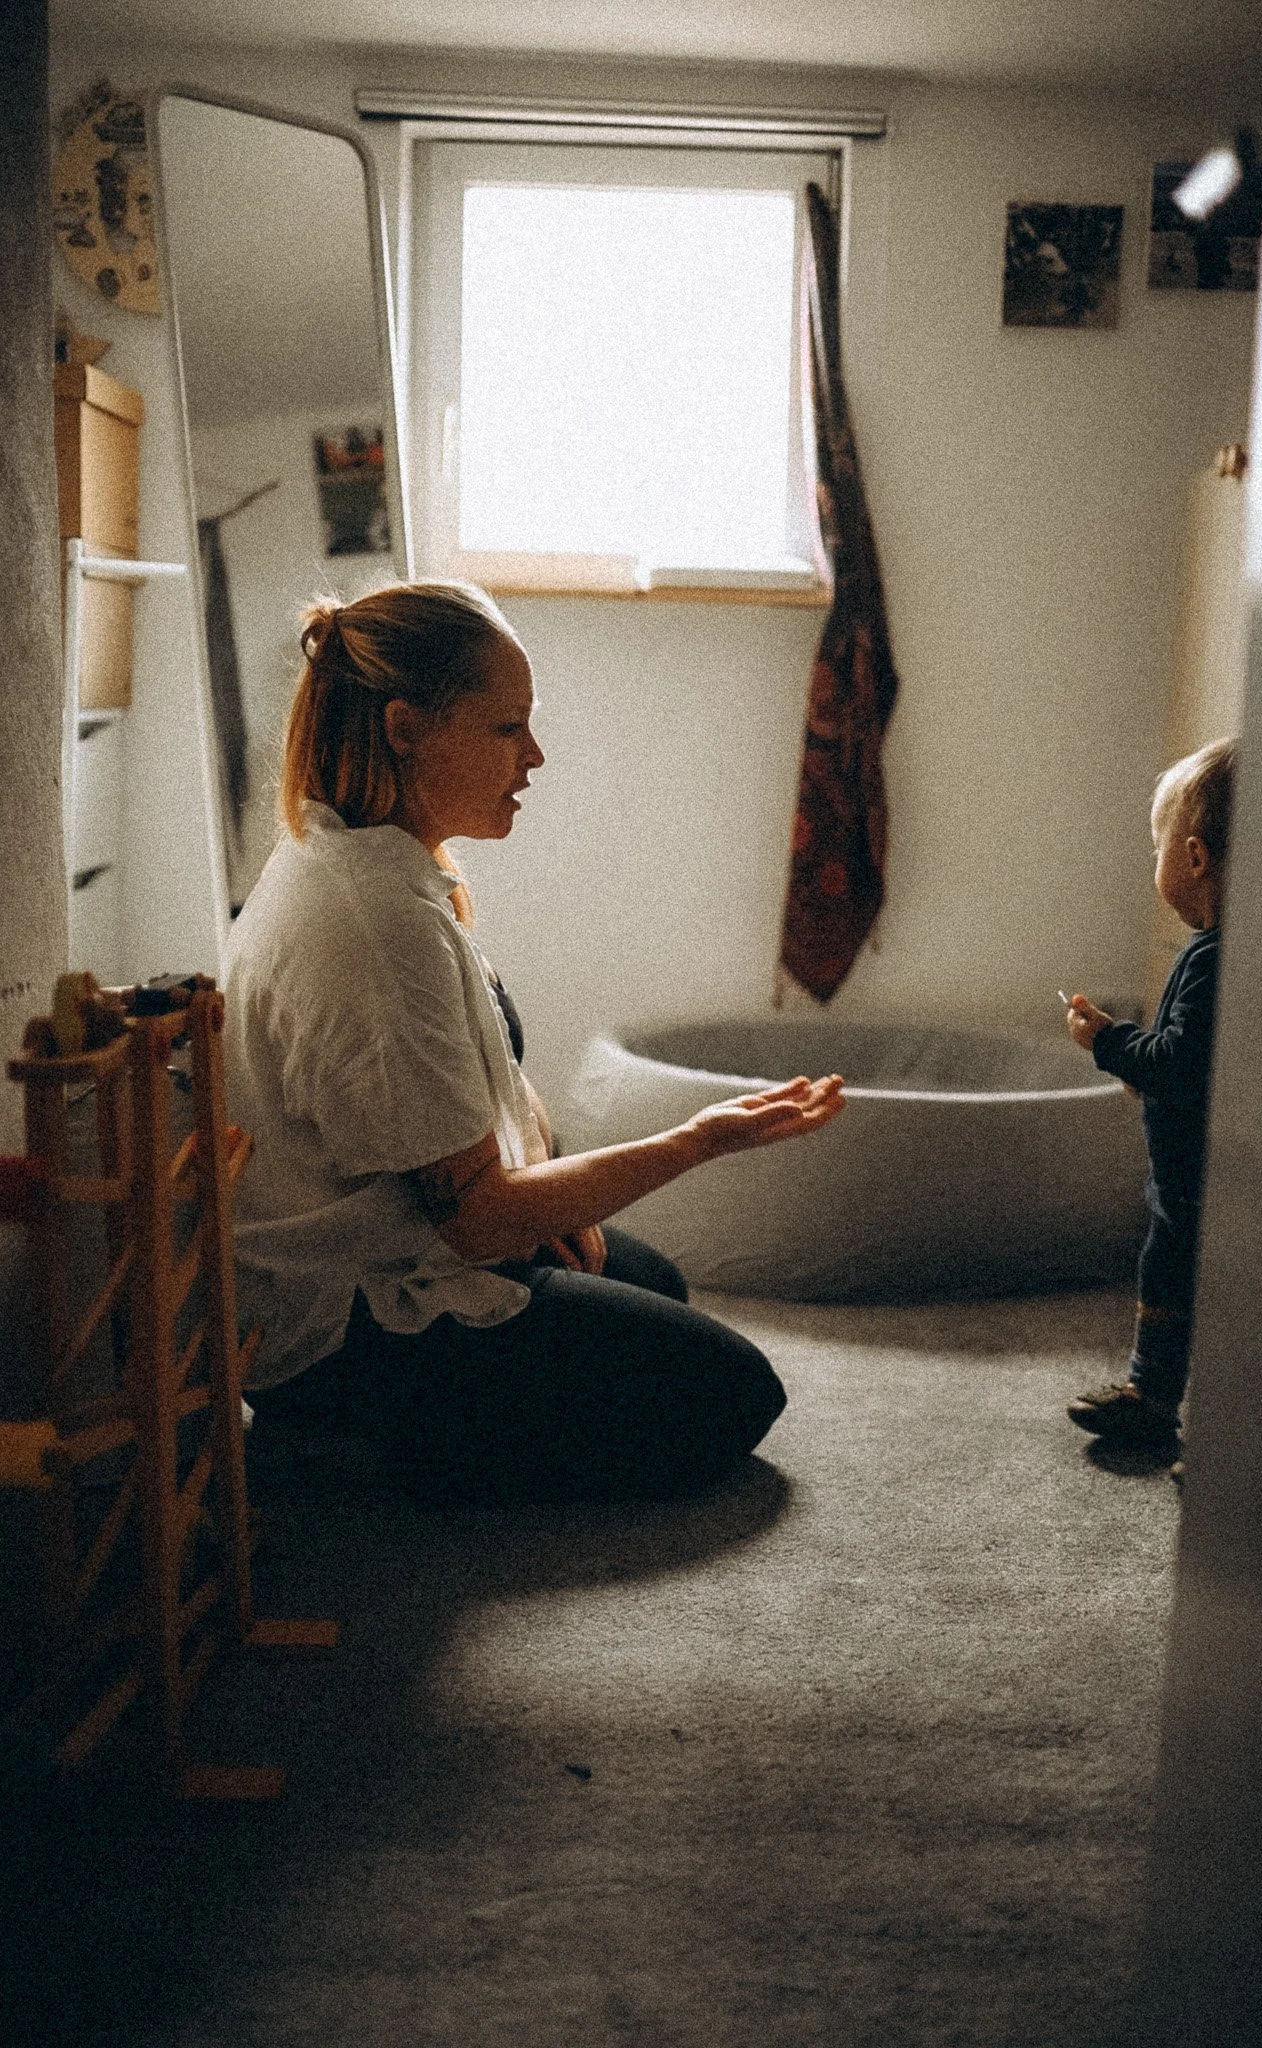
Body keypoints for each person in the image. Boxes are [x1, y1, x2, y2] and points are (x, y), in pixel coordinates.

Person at [224, 581, 844, 1504]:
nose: (534, 755)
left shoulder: (368, 856)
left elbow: (492, 1093)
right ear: (406, 729)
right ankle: (369, 1451)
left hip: (412, 1236)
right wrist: (698, 1140)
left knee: (656, 1285)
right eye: (506, 727)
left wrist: (547, 1189)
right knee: (731, 1396)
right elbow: (475, 1221)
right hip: (345, 1322)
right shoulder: (374, 924)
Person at [1062, 736, 1237, 1455]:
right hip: (1199, 1174)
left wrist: (1108, 1042)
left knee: (1189, 1290)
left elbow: (1178, 1062)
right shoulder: (1255, 953)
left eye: (1156, 847)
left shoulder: (1214, 959)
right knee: (1172, 1281)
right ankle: (1153, 1398)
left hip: (1200, 1181)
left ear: (1192, 857)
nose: (1154, 862)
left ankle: (1185, 1414)